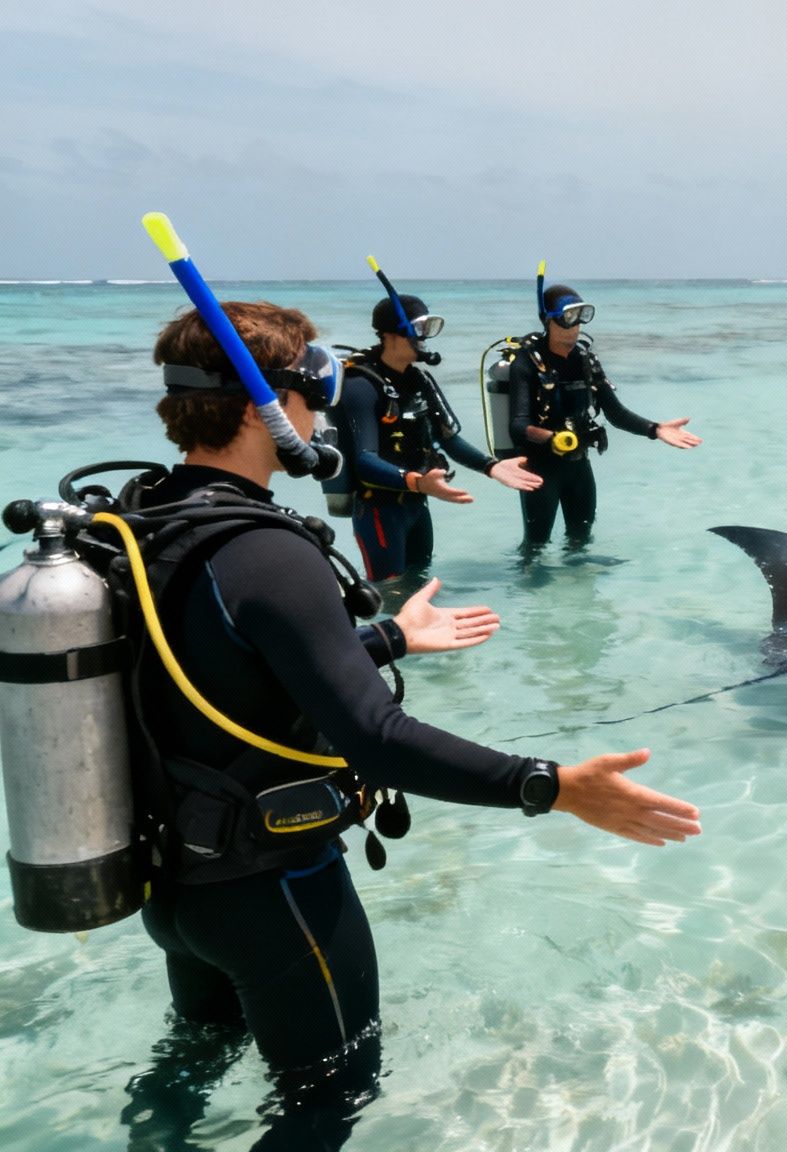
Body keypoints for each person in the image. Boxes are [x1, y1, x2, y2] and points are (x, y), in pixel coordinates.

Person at [124, 301, 703, 1146]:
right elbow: (376, 739)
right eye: (309, 393)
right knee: (328, 1102)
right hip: (274, 891)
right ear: (259, 407)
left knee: (190, 1064)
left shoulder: (145, 517)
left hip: (174, 885)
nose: (319, 412)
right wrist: (548, 785)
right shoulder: (264, 550)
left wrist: (390, 635)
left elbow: (221, 667)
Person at [333, 292, 540, 581]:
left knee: (421, 585)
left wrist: (491, 466)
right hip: (380, 511)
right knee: (391, 597)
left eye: (428, 330)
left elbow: (449, 439)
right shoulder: (361, 385)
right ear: (391, 334)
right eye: (420, 330)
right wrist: (418, 482)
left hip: (418, 505)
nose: (425, 340)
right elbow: (364, 461)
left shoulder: (419, 380)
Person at [506, 284, 701, 550]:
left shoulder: (586, 360)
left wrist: (655, 429)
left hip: (578, 468)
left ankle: (578, 591)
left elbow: (615, 412)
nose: (575, 327)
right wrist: (552, 438)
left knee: (581, 541)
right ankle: (529, 591)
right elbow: (518, 426)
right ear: (548, 319)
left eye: (581, 317)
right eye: (568, 318)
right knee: (535, 546)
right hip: (541, 471)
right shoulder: (526, 363)